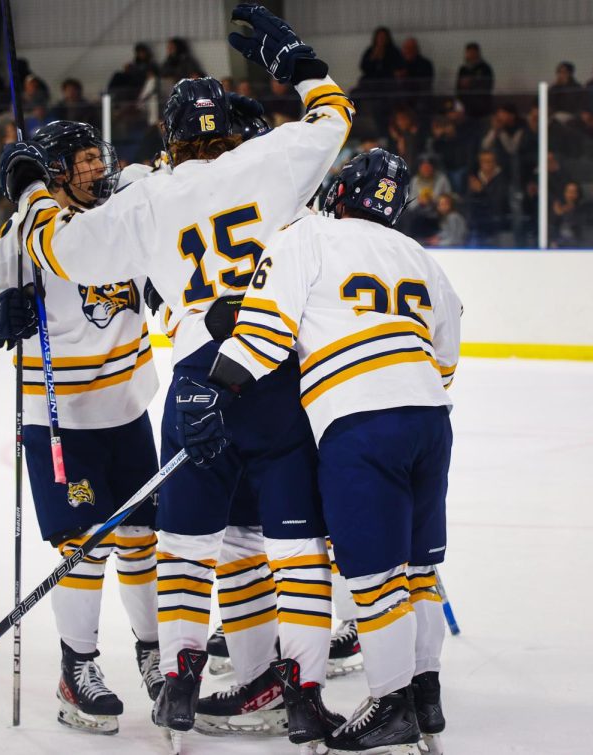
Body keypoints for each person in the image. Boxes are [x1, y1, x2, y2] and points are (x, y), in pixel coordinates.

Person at [0, 6, 353, 750]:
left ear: (166, 140)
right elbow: (333, 115)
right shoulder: (270, 158)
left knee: (190, 544)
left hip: (195, 378)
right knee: (280, 547)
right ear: (232, 125)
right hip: (275, 369)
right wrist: (294, 62)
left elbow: (60, 249)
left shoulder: (145, 198)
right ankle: (293, 686)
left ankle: (181, 680)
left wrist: (32, 187)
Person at [182, 148, 461, 755]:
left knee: (373, 577)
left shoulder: (308, 235)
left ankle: (390, 705)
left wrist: (213, 392)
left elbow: (263, 332)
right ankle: (424, 695)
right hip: (430, 420)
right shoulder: (418, 254)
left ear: (340, 191)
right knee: (418, 570)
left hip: (360, 422)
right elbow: (447, 346)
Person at [0, 121, 164, 734]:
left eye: (98, 158)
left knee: (141, 541)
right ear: (51, 174)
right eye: (82, 163)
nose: (97, 170)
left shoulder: (126, 215)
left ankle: (155, 658)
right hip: (58, 422)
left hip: (128, 411)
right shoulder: (21, 238)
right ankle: (77, 669)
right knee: (84, 543)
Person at [466, 150, 509, 247]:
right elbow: (468, 203)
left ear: (495, 162)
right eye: (484, 161)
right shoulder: (473, 179)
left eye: (490, 161)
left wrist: (481, 191)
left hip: (497, 226)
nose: (487, 164)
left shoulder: (502, 180)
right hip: (477, 226)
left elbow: (499, 203)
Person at [455, 42, 494, 124]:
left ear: (477, 53)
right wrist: (458, 106)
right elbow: (458, 88)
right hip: (465, 108)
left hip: (481, 109)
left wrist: (471, 83)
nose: (470, 55)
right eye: (468, 52)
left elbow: (487, 86)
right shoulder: (463, 69)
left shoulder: (485, 68)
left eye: (473, 52)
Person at [550, 181, 584, 248]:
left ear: (577, 194)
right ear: (564, 193)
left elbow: (580, 230)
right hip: (560, 247)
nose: (570, 194)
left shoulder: (582, 209)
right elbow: (551, 228)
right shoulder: (558, 208)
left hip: (576, 247)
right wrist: (558, 214)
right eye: (568, 191)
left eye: (573, 192)